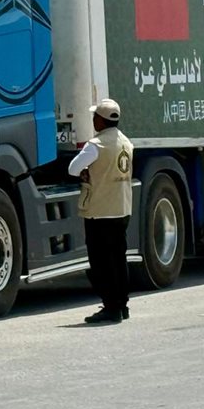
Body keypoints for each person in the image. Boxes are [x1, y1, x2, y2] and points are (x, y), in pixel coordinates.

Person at [68, 98, 134, 323]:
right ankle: (122, 305)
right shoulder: (126, 142)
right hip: (122, 208)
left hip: (100, 211)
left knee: (101, 262)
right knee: (118, 258)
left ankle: (110, 307)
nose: (93, 120)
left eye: (95, 116)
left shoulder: (96, 145)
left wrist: (87, 170)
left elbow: (73, 168)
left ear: (101, 120)